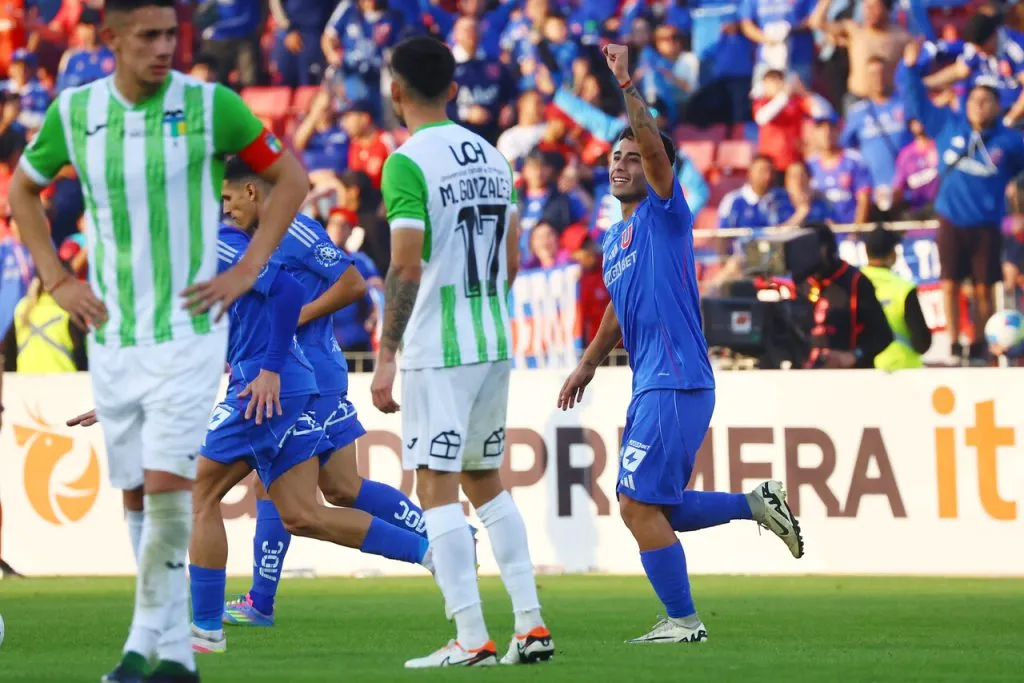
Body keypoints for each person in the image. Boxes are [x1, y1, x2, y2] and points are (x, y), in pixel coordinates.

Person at [7, 1, 310, 681]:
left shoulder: (212, 105)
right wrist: (55, 277)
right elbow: (25, 193)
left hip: (189, 330)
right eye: (148, 36)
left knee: (172, 481)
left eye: (171, 34)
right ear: (110, 38)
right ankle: (177, 656)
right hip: (115, 336)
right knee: (139, 492)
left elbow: (292, 178)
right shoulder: (75, 113)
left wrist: (247, 267)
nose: (164, 47)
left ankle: (143, 643)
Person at [557, 43, 803, 646]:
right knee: (653, 506)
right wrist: (587, 363)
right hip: (653, 383)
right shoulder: (618, 238)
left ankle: (684, 621)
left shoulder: (667, 212)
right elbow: (618, 307)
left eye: (635, 157)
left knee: (636, 506)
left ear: (656, 168)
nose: (621, 164)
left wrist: (626, 87)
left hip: (676, 378)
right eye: (616, 157)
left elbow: (650, 139)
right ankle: (754, 504)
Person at [371, 35, 553, 668]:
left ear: (396, 89)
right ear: (452, 88)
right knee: (487, 482)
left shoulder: (406, 162)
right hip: (490, 339)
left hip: (436, 348)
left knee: (437, 490)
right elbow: (509, 256)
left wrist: (386, 352)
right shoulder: (493, 156)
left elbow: (404, 265)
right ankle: (529, 626)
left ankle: (470, 636)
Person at [213, 158, 432, 632]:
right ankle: (262, 601)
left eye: (228, 198)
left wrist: (293, 318)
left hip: (309, 375)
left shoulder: (296, 230)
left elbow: (352, 283)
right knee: (335, 487)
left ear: (252, 191)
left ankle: (439, 542)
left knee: (295, 491)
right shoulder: (243, 242)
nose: (223, 209)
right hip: (291, 374)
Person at [902, 38, 1024, 364]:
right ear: (965, 103)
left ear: (998, 106)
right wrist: (910, 67)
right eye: (974, 100)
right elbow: (914, 100)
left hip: (986, 224)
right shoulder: (947, 125)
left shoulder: (1010, 141)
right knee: (950, 285)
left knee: (984, 289)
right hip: (950, 219)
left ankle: (982, 343)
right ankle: (955, 344)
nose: (979, 106)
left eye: (986, 101)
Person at [798, 223, 893, 369]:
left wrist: (854, 355)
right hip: (806, 376)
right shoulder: (801, 283)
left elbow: (883, 335)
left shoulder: (855, 281)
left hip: (850, 377)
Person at [859, 225, 932, 370]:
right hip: (903, 368)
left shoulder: (853, 284)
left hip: (861, 368)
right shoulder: (903, 288)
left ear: (866, 252)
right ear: (893, 254)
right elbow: (922, 343)